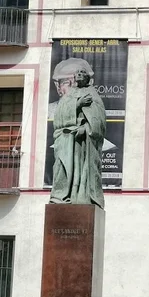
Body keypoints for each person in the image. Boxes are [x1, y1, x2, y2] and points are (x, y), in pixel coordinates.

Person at [50, 61, 107, 208]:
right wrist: (77, 104)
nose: (80, 75)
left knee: (83, 173)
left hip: (84, 144)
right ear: (74, 78)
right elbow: (59, 117)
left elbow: (99, 120)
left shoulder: (93, 95)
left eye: (83, 73)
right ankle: (62, 196)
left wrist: (86, 128)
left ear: (88, 79)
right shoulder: (68, 97)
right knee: (62, 168)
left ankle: (83, 196)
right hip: (68, 140)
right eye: (78, 74)